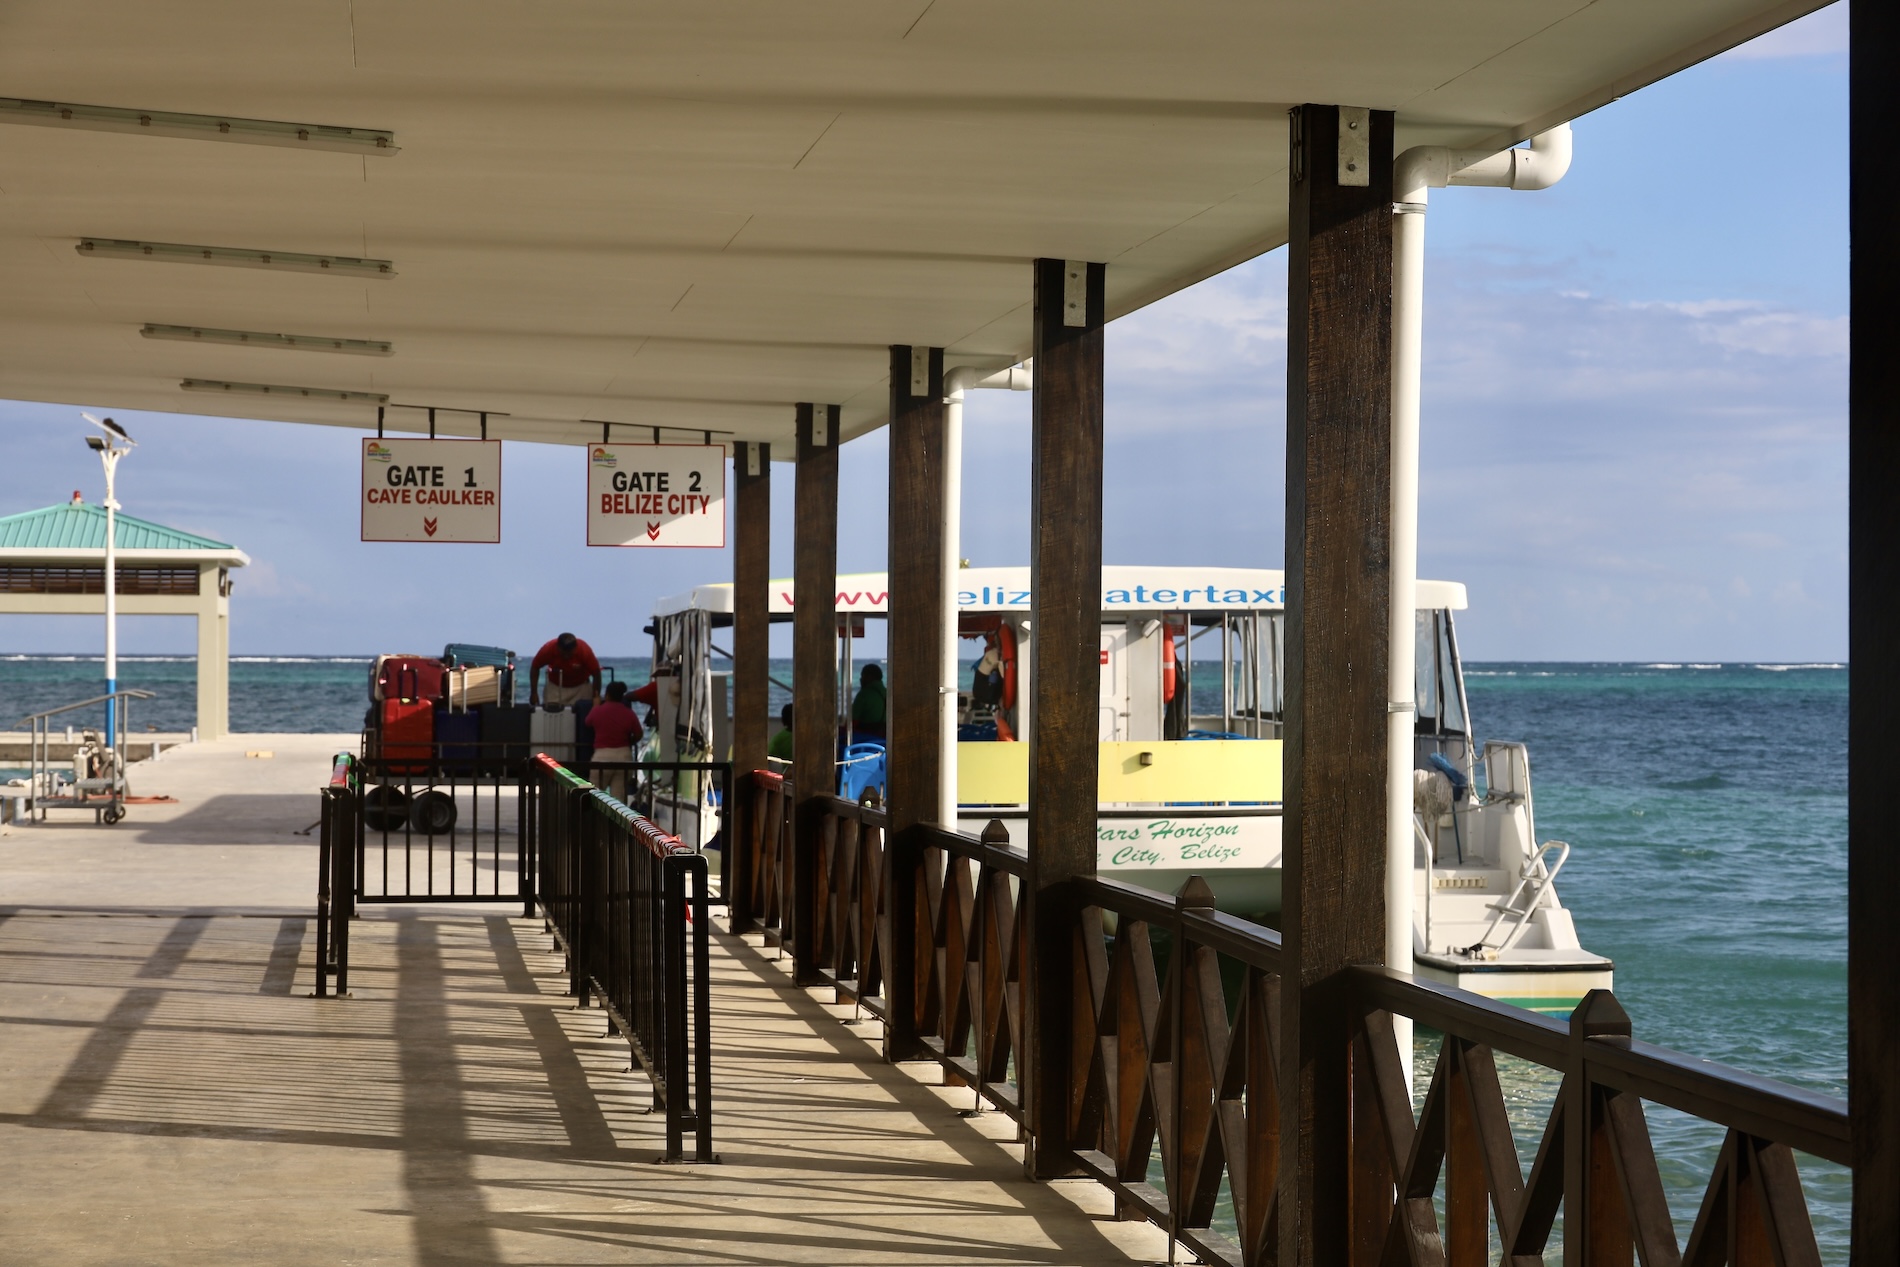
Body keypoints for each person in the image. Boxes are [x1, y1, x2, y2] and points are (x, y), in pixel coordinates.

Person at [587, 680, 642, 800]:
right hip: (624, 756)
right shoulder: (629, 713)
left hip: (602, 757)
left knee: (595, 796)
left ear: (607, 695)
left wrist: (595, 705)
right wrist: (629, 742)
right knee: (619, 799)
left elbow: (588, 722)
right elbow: (639, 734)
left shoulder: (598, 711)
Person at [529, 632, 600, 709]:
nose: (566, 656)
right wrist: (534, 693)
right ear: (558, 647)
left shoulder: (584, 650)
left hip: (581, 687)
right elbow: (535, 667)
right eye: (563, 653)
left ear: (575, 648)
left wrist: (596, 696)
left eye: (569, 654)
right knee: (550, 712)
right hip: (555, 687)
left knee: (584, 712)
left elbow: (596, 673)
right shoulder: (548, 649)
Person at [850, 664, 886, 741]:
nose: (860, 679)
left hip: (865, 739)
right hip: (883, 740)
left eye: (862, 676)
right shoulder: (888, 693)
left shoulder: (864, 694)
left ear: (869, 677)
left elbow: (852, 722)